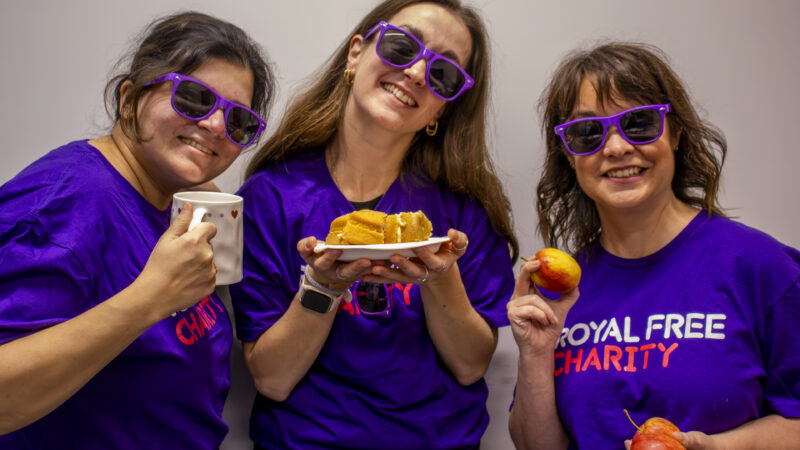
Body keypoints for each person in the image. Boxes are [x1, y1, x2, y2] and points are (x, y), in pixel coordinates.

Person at [229, 0, 518, 448]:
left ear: (441, 109)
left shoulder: (464, 211)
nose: (419, 73)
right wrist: (322, 288)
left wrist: (441, 278)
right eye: (403, 46)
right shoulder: (269, 198)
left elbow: (469, 366)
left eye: (443, 74)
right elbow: (272, 379)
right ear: (356, 52)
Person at [0, 11, 274, 448]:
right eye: (194, 99)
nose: (217, 127)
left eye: (239, 122)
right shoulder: (66, 200)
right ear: (129, 98)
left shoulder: (167, 197)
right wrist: (151, 298)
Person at [507, 41, 800, 449]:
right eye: (587, 132)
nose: (616, 147)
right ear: (569, 155)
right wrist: (535, 354)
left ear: (675, 132)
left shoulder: (762, 267)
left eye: (639, 122)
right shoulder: (561, 292)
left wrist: (719, 447)